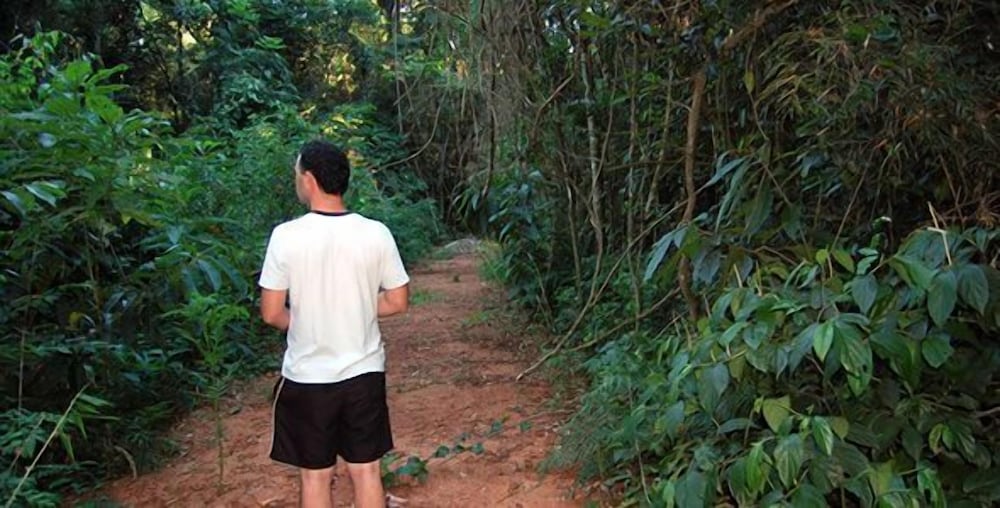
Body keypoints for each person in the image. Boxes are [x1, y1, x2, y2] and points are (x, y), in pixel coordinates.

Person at [258, 140, 409, 508]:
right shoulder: (376, 232)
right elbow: (397, 301)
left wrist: (310, 319)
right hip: (364, 373)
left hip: (308, 377)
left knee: (315, 476)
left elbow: (272, 313)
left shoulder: (286, 237)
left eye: (298, 174)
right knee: (367, 471)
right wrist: (355, 308)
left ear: (309, 180)